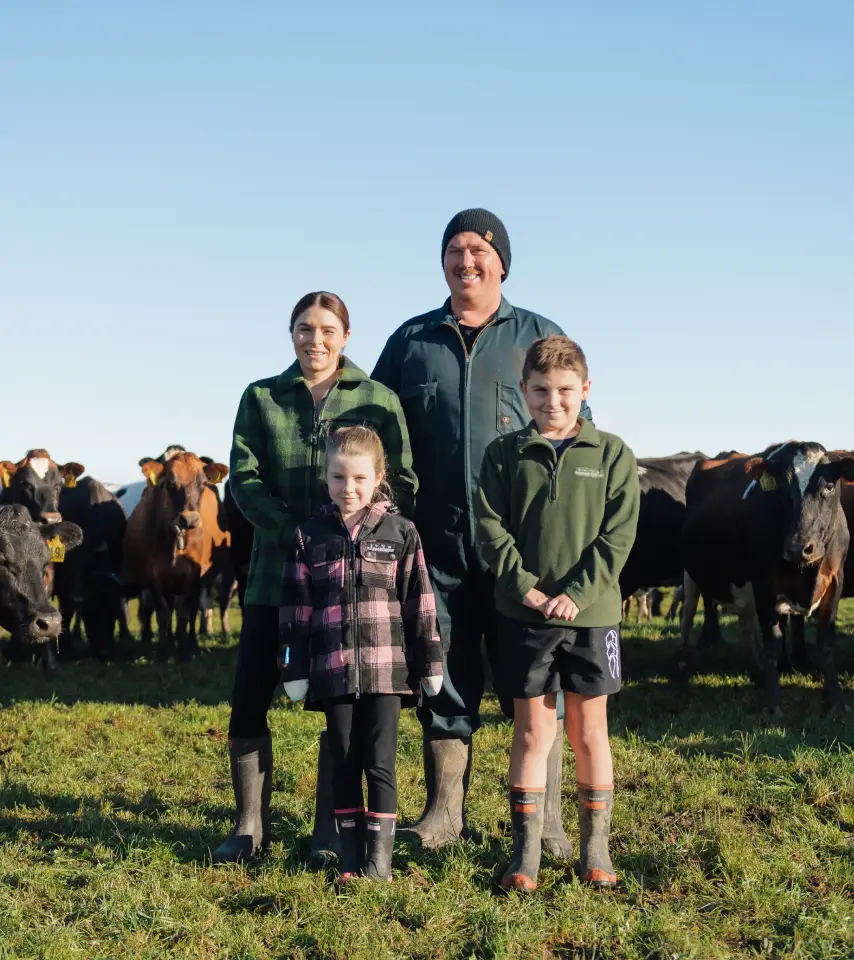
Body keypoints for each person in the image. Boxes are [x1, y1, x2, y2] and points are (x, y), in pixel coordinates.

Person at [371, 209, 591, 855]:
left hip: (525, 549)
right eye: (454, 251)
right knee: (443, 676)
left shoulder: (537, 335)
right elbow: (379, 427)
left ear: (502, 262)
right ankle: (444, 813)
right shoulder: (413, 341)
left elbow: (576, 429)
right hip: (434, 545)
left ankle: (544, 821)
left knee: (532, 680)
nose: (466, 261)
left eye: (478, 251)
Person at [213, 292, 417, 864]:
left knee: (340, 703)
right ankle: (249, 824)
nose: (316, 340)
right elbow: (244, 479)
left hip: (349, 584)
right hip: (274, 572)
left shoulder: (378, 399)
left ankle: (331, 830)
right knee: (250, 694)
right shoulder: (262, 398)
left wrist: (360, 532)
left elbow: (402, 478)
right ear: (291, 333)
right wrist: (294, 531)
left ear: (346, 335)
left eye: (328, 329)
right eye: (305, 328)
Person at [475, 336, 639, 891]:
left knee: (589, 730)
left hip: (592, 617)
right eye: (541, 390)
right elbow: (491, 528)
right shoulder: (502, 455)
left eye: (566, 391)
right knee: (530, 734)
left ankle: (596, 850)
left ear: (585, 390)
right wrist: (528, 590)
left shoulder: (612, 454)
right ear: (524, 391)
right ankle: (526, 855)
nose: (553, 402)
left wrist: (579, 592)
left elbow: (618, 537)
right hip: (524, 616)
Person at [279, 426, 443, 883]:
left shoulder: (401, 531)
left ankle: (379, 862)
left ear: (378, 477)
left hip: (388, 672)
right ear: (325, 478)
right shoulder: (308, 536)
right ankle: (351, 857)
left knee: (380, 761)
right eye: (337, 478)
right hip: (333, 671)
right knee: (344, 760)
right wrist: (293, 666)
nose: (347, 489)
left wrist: (430, 662)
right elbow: (296, 608)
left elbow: (420, 601)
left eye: (358, 479)